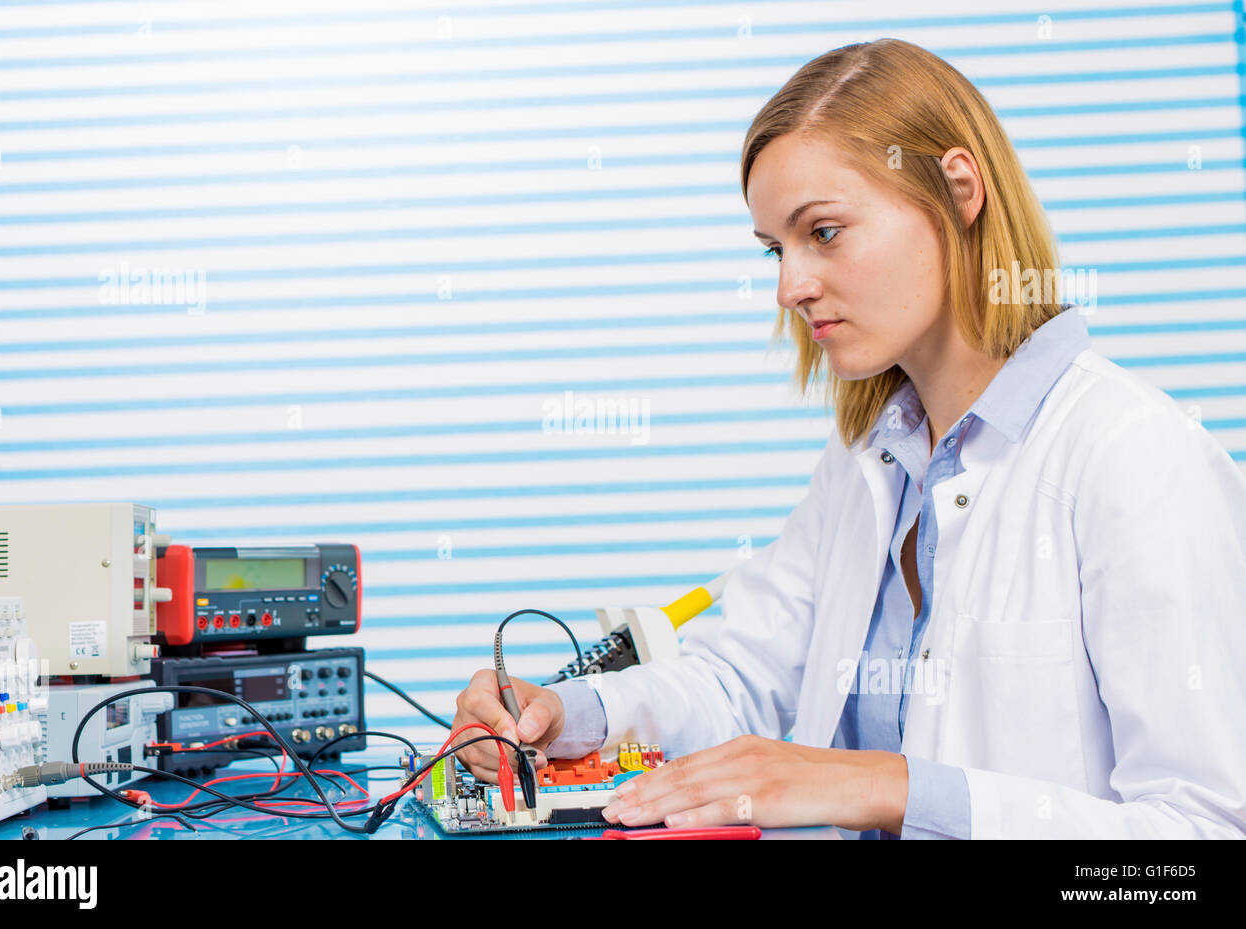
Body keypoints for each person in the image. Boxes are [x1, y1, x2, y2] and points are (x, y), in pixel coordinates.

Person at [450, 38, 1246, 839]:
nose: (790, 286)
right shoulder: (873, 456)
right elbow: (743, 678)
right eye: (775, 248)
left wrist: (893, 787)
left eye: (823, 232)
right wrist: (566, 713)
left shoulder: (1134, 456)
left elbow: (1201, 835)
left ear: (959, 190)